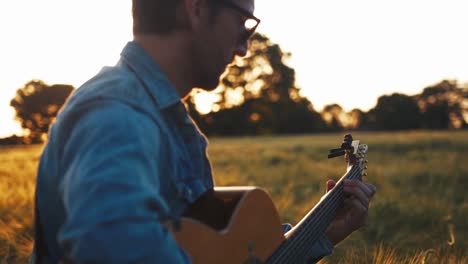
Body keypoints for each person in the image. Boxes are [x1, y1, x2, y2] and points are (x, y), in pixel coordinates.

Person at [31, 0, 377, 263]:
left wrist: (322, 234)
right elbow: (109, 246)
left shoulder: (165, 120)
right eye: (245, 23)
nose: (244, 48)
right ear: (196, 9)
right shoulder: (119, 115)